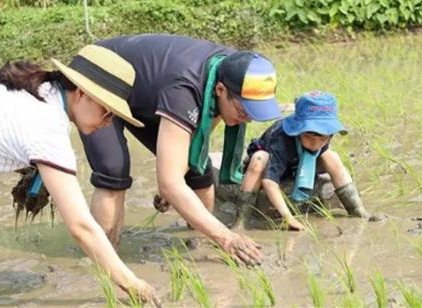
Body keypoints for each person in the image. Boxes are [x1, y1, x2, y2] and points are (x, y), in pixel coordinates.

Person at [0, 45, 159, 307]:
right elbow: (81, 227)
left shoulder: (38, 90)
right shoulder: (46, 125)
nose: (109, 121)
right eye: (108, 111)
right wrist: (131, 283)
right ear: (82, 94)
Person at [78, 34, 283, 265]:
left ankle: (199, 246)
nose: (247, 119)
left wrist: (173, 182)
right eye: (243, 110)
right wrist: (226, 237)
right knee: (113, 170)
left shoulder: (232, 69)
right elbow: (170, 182)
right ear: (220, 90)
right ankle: (105, 262)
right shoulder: (185, 90)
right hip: (100, 75)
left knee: (198, 170)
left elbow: (197, 142)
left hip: (147, 90)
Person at [239, 91, 371, 231]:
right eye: (310, 138)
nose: (316, 143)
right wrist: (289, 218)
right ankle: (241, 219)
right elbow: (269, 181)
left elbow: (325, 153)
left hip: (300, 164)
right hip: (272, 165)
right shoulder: (280, 138)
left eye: (323, 138)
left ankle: (356, 210)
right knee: (259, 158)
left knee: (332, 157)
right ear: (298, 130)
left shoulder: (323, 139)